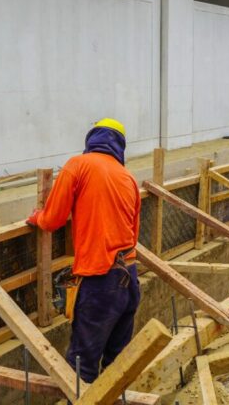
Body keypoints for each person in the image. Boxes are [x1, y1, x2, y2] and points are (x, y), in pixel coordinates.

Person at [26, 118, 142, 385]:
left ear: (91, 140)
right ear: (120, 146)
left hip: (101, 282)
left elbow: (53, 220)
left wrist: (37, 217)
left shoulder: (78, 165)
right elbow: (133, 235)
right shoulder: (128, 178)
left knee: (82, 369)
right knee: (117, 367)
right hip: (130, 280)